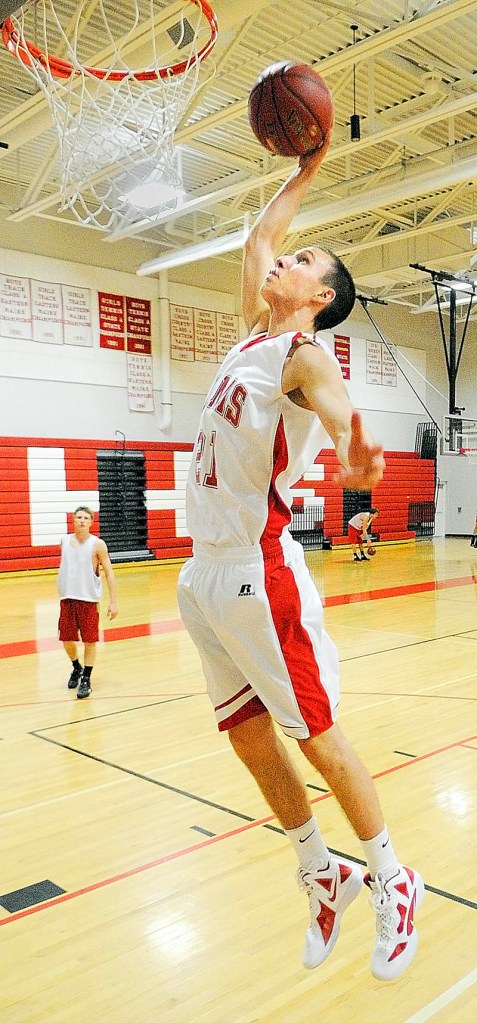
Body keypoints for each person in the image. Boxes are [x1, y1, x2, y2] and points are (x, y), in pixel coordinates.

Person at [177, 143, 424, 982]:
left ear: (319, 297)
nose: (288, 253)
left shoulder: (304, 355)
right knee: (249, 740)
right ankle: (322, 871)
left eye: (306, 259)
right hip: (200, 574)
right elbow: (257, 239)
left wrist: (355, 449)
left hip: (256, 570)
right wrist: (303, 174)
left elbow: (338, 405)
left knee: (316, 737)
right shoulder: (253, 333)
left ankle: (394, 876)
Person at [57, 506, 118, 699]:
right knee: (66, 640)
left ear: (91, 522)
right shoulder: (65, 541)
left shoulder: (97, 544)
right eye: (79, 517)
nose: (82, 521)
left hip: (88, 600)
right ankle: (77, 667)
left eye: (86, 518)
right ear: (73, 520)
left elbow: (109, 572)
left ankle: (86, 679)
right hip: (67, 598)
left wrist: (113, 601)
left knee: (90, 641)